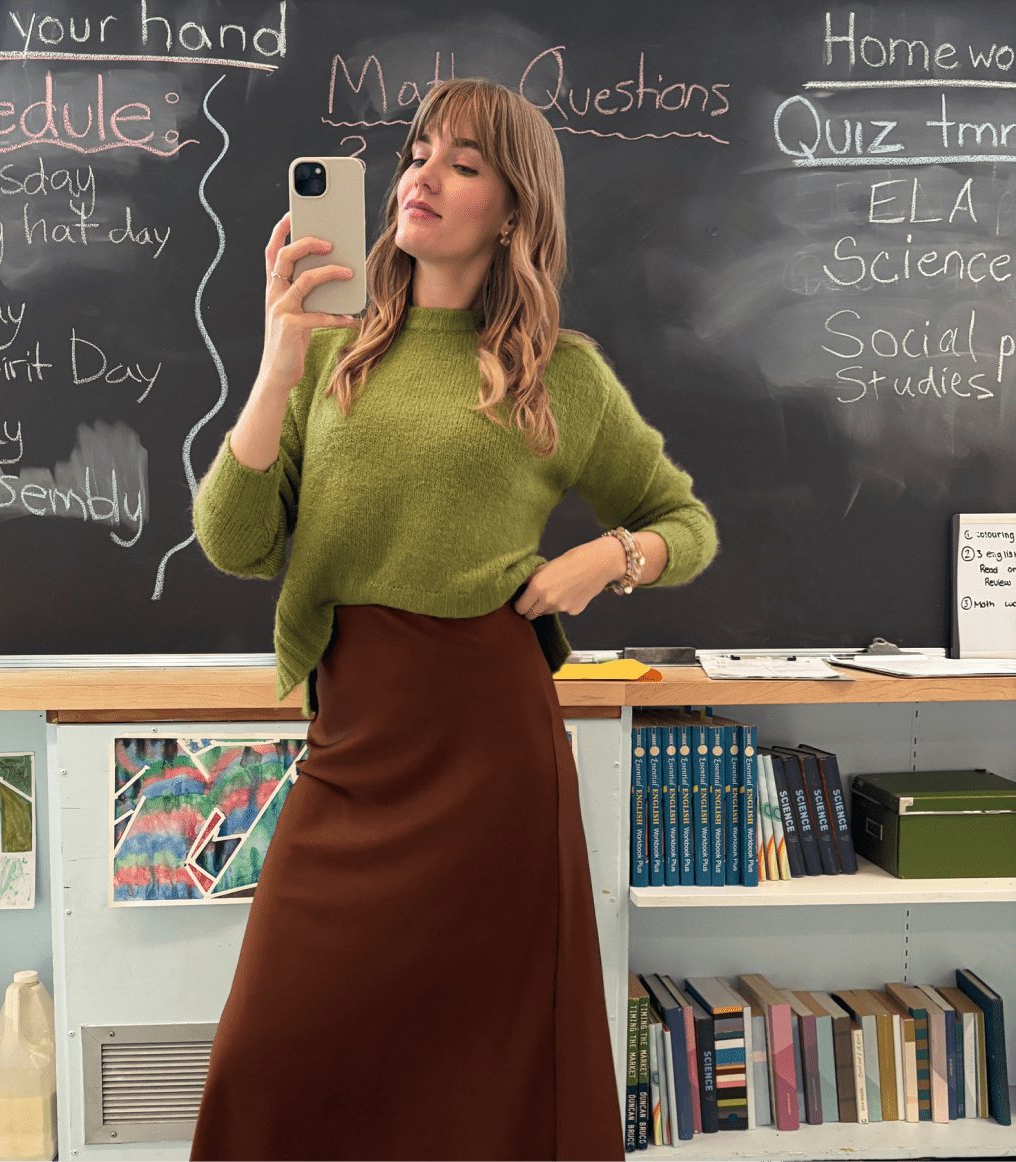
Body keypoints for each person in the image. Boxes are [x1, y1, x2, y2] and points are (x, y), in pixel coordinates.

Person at [189, 78, 717, 1162]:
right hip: (354, 744)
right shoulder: (330, 352)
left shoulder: (561, 375)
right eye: (418, 153)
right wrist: (278, 359)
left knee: (487, 1067)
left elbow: (686, 522)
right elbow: (233, 543)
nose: (421, 176)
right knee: (269, 1053)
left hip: (492, 757)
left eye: (462, 163)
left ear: (513, 210)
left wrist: (607, 558)